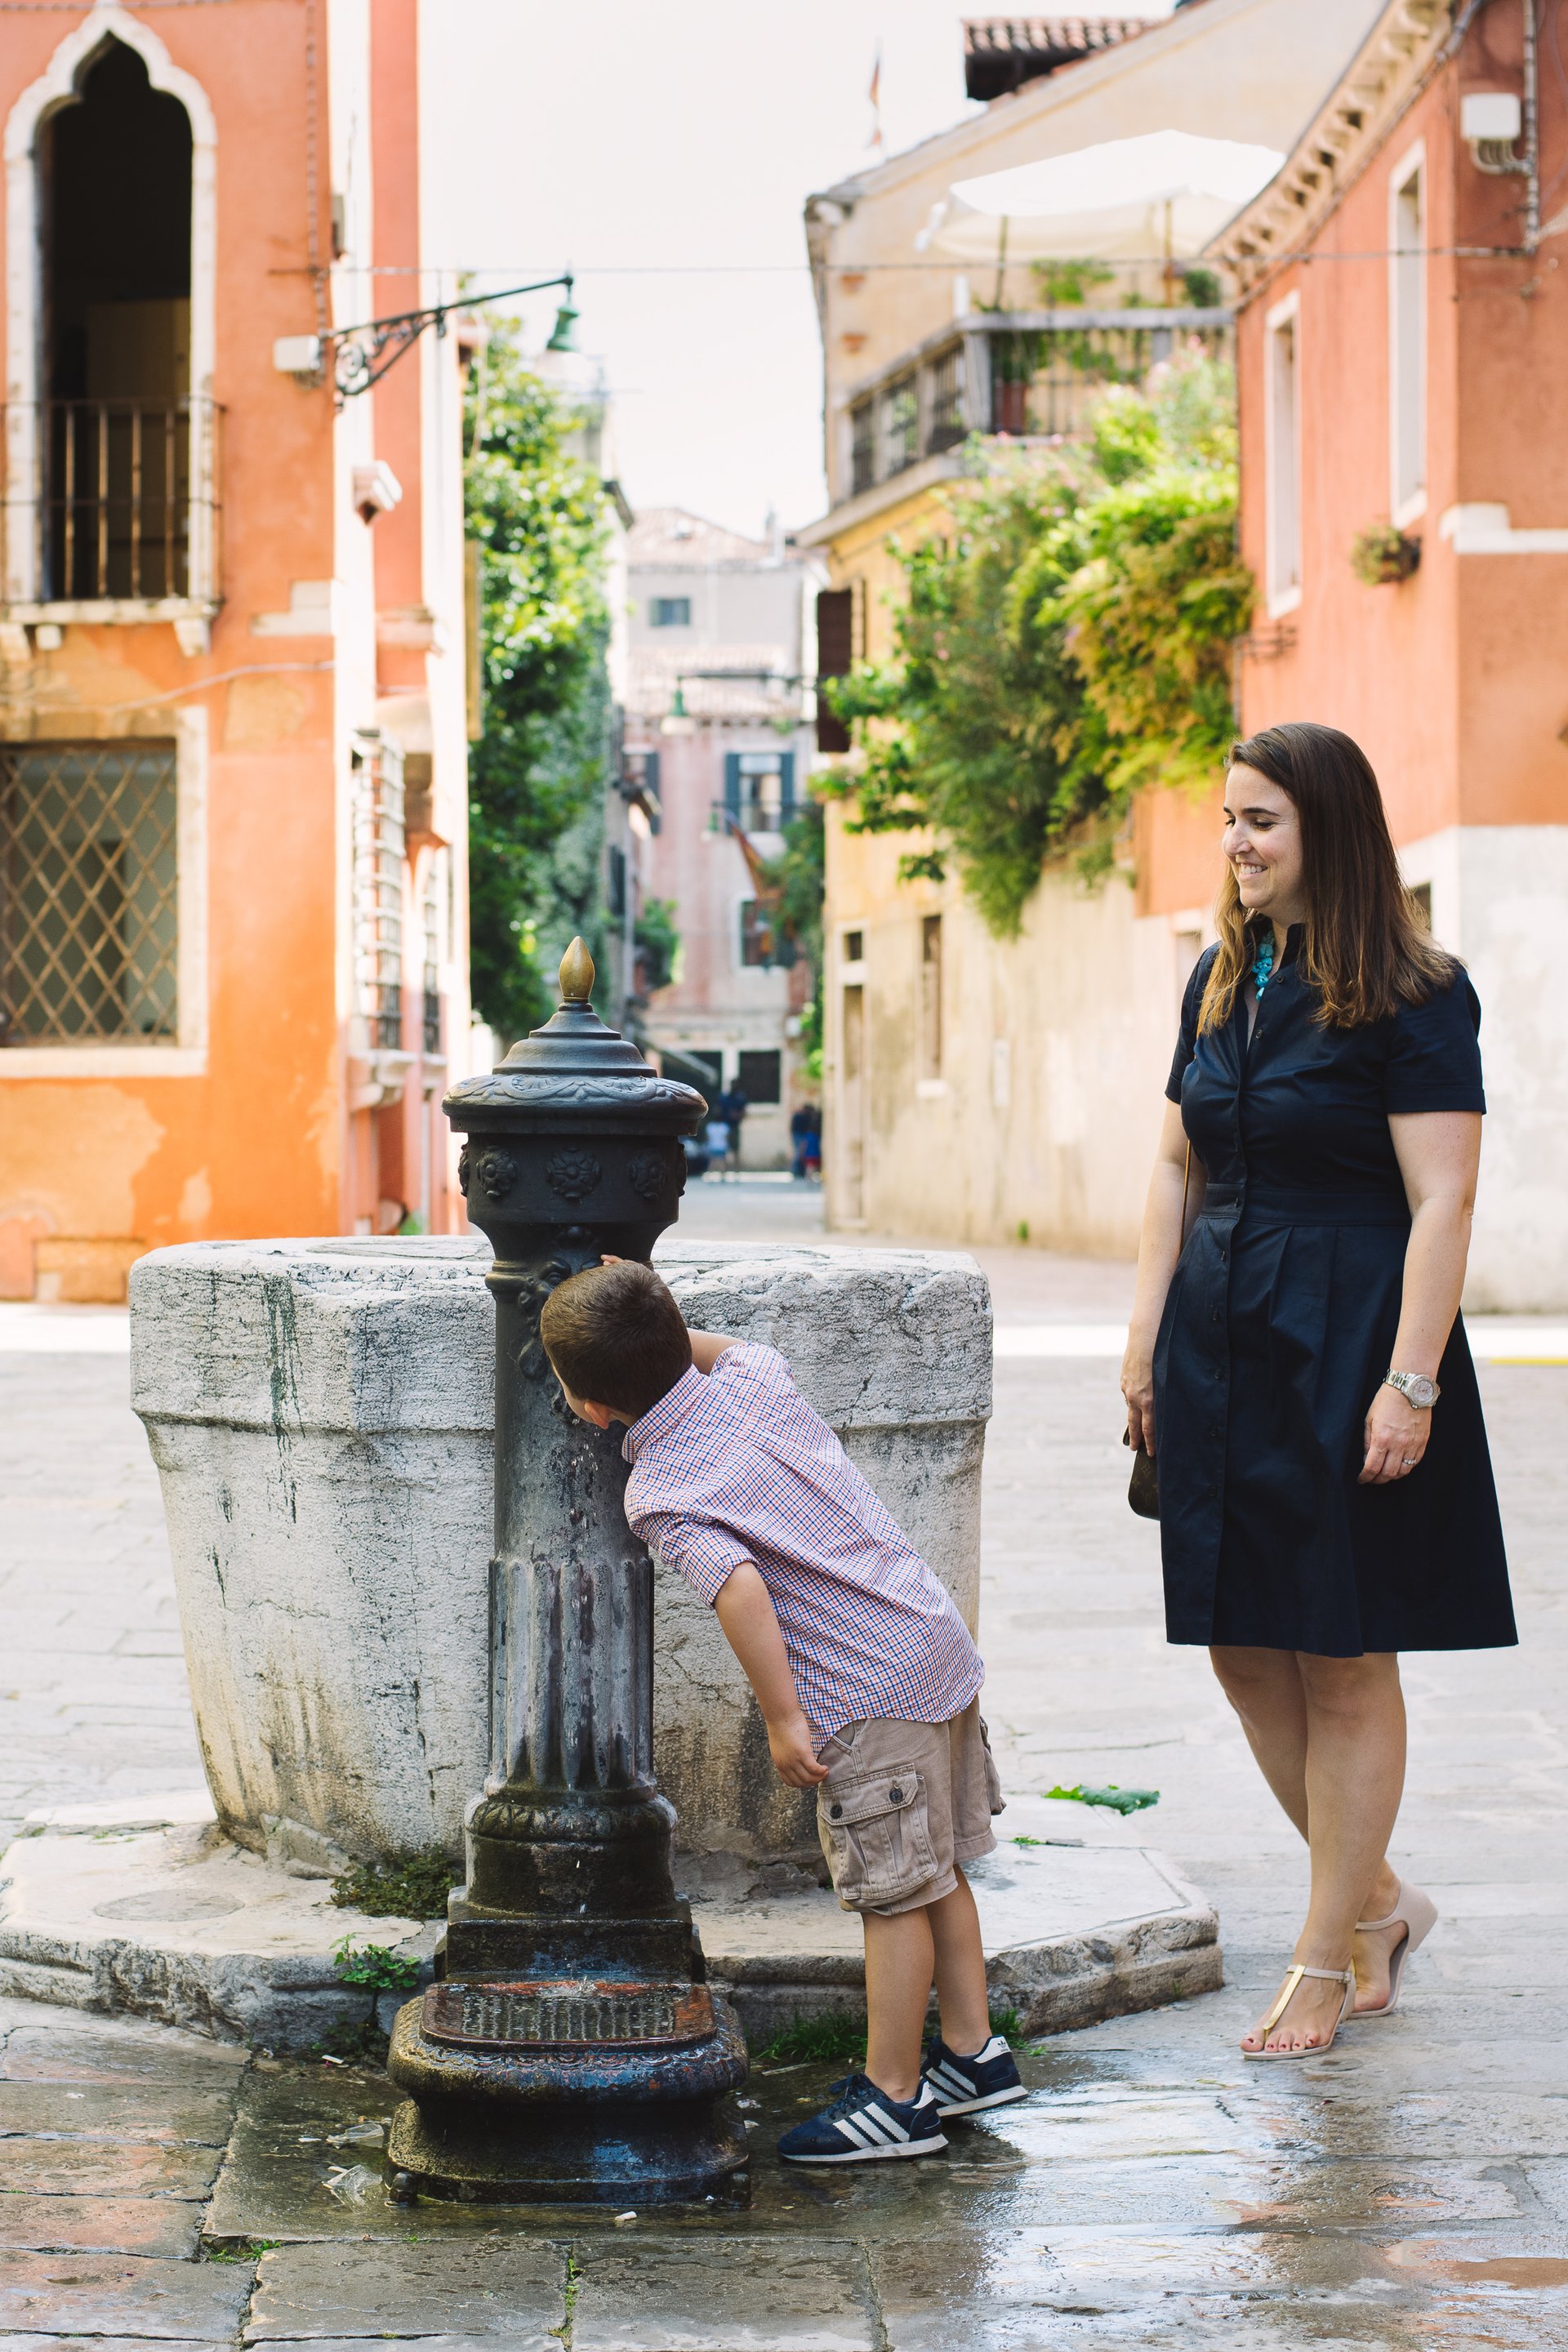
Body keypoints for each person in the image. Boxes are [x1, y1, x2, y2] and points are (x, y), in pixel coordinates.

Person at [1121, 723, 1514, 2060]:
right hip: (1219, 1341)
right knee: (1243, 1651)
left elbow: (1444, 1197)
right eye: (1229, 819)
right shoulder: (1217, 984)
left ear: (1328, 832)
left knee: (1343, 1661)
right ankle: (1382, 1901)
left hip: (1348, 1337)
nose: (1236, 842)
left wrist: (1410, 1383)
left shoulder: (1418, 991)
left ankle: (1325, 1954)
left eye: (1262, 822)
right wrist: (1141, 1341)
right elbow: (1175, 1169)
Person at [539, 1257, 1023, 2163]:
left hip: (862, 1689)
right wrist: (646, 1302)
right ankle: (972, 2054)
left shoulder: (661, 1490)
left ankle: (894, 2100)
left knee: (893, 1895)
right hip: (928, 1637)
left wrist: (783, 1717)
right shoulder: (753, 1379)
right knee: (942, 1866)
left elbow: (741, 1587)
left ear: (593, 1409)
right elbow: (702, 1348)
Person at [791, 1101, 822, 1182]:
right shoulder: (802, 1117)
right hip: (801, 1136)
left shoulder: (799, 1116)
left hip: (801, 1136)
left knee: (800, 1154)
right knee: (799, 1154)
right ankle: (798, 1171)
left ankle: (800, 1172)